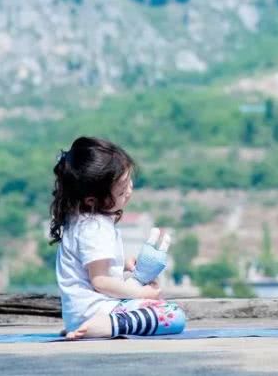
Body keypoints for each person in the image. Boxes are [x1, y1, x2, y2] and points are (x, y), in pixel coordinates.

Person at [50, 136, 185, 339]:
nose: (129, 191)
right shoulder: (95, 227)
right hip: (96, 310)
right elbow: (100, 281)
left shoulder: (81, 219)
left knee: (157, 308)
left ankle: (88, 325)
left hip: (80, 312)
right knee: (173, 315)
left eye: (129, 182)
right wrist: (140, 294)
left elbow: (89, 267)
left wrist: (122, 265)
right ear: (92, 200)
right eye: (121, 191)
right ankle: (107, 325)